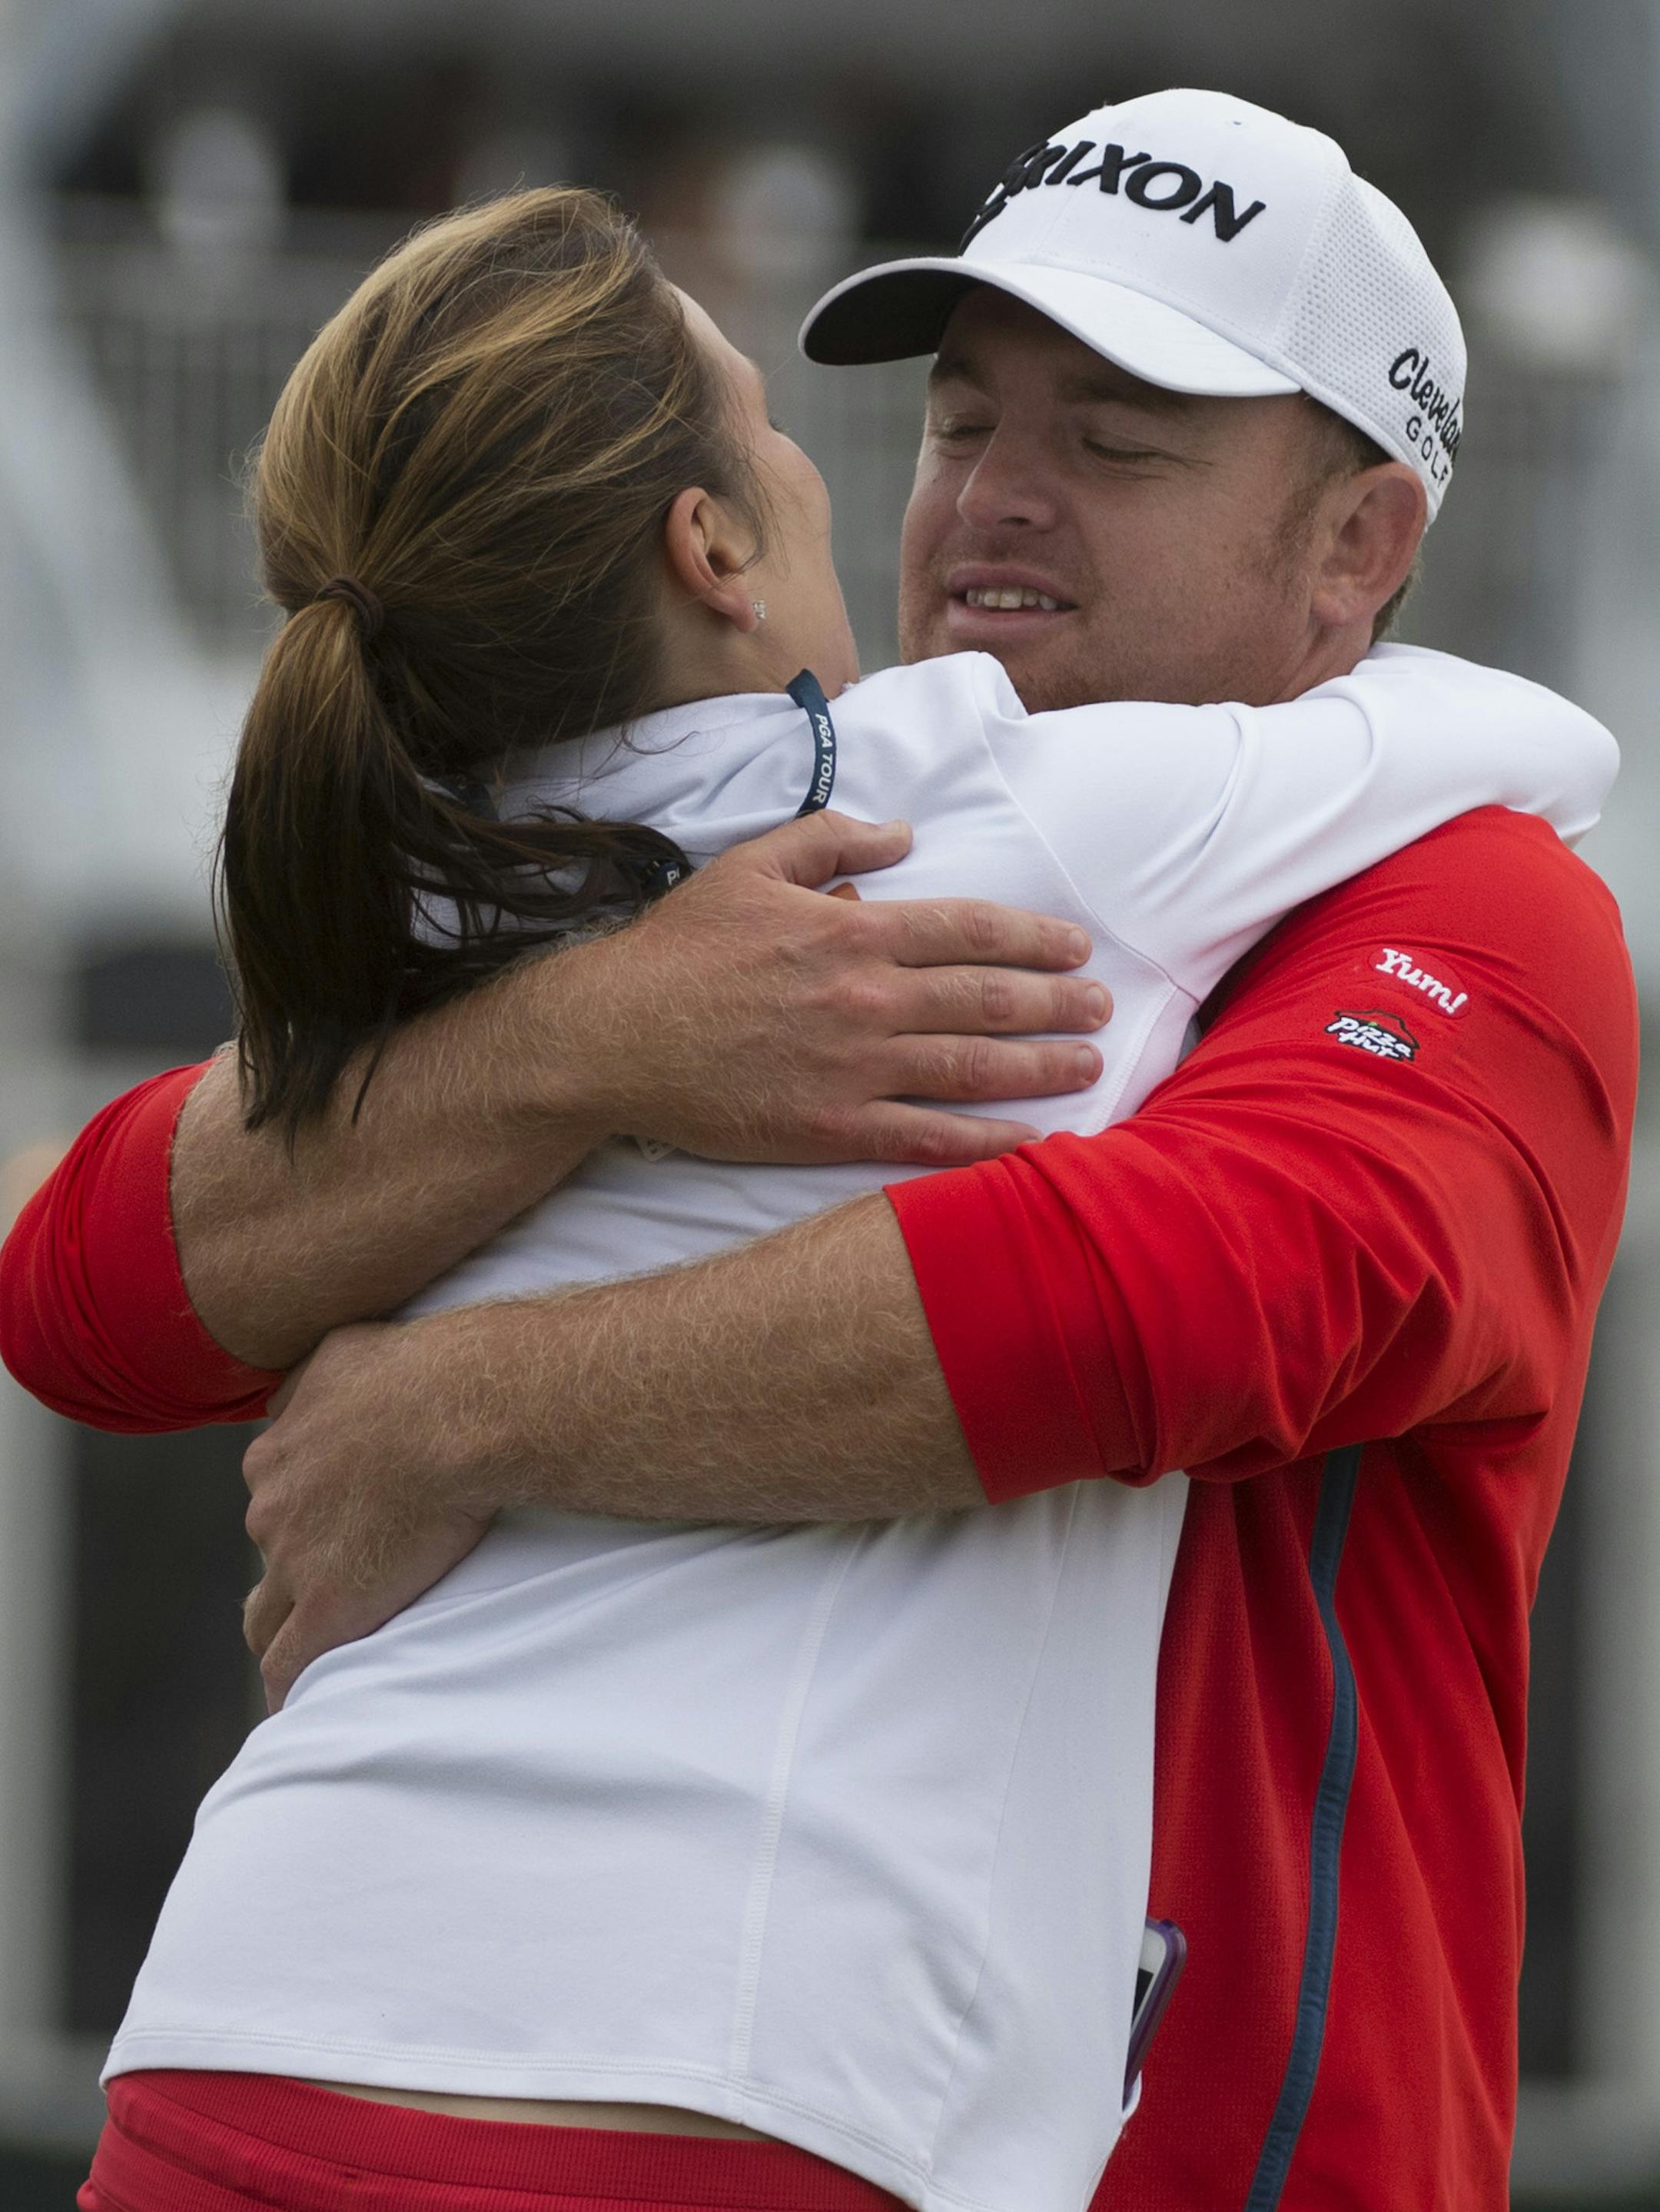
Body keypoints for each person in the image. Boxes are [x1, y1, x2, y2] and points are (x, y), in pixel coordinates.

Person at [0, 89, 1636, 2212]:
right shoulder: (753, 853)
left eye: (1118, 444)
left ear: (1361, 551)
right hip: (739, 2096)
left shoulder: (1475, 901)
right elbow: (92, 1296)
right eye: (964, 427)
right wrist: (602, 1040)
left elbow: (1178, 1292)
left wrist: (456, 1408)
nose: (993, 506)